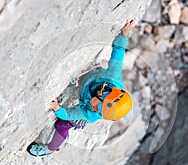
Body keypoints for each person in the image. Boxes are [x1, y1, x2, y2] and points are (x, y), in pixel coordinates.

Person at [27, 19, 136, 157]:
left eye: (98, 110)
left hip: (81, 108)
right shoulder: (112, 76)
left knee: (62, 125)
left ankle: (50, 150)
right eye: (97, 105)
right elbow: (118, 52)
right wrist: (124, 34)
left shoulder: (90, 114)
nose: (94, 107)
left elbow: (68, 114)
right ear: (103, 93)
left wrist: (57, 109)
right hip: (90, 78)